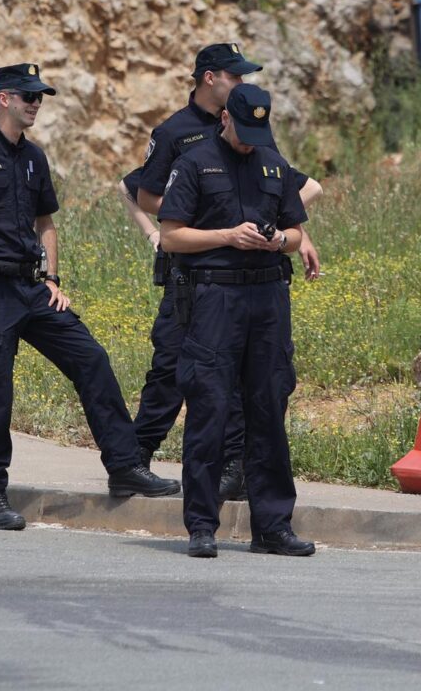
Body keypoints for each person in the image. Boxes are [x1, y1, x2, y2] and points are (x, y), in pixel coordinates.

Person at [0, 63, 180, 531]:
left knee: (90, 358)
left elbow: (46, 223)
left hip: (31, 288)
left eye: (40, 97)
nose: (36, 103)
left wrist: (52, 278)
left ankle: (124, 466)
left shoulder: (33, 157)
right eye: (28, 96)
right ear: (4, 99)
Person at [117, 43, 321, 504]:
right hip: (193, 270)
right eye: (236, 76)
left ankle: (237, 467)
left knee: (240, 375)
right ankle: (134, 459)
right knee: (172, 363)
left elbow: (290, 188)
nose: (243, 83)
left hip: (248, 275)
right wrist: (192, 224)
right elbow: (141, 192)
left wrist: (295, 236)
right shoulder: (176, 133)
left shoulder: (252, 125)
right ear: (210, 78)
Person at [158, 83, 313, 559]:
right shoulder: (194, 163)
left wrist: (278, 241)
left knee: (269, 409)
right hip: (214, 299)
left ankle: (272, 526)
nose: (250, 141)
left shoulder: (273, 162)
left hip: (267, 298)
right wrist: (227, 235)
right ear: (225, 118)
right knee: (210, 408)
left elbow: (295, 232)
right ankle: (202, 525)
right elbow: (171, 237)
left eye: (257, 133)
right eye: (243, 131)